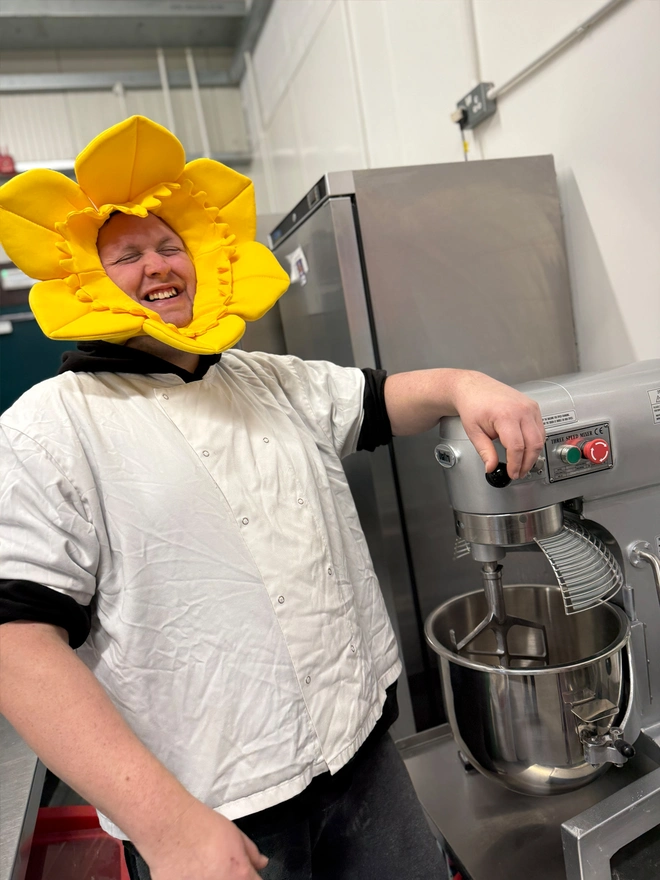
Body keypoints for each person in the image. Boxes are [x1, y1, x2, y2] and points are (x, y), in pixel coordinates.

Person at [0, 117, 545, 880]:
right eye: (126, 254)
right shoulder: (47, 427)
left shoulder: (268, 378)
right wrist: (168, 827)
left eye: (169, 246)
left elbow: (385, 399)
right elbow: (16, 646)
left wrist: (465, 384)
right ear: (83, 278)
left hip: (362, 758)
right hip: (214, 813)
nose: (158, 265)